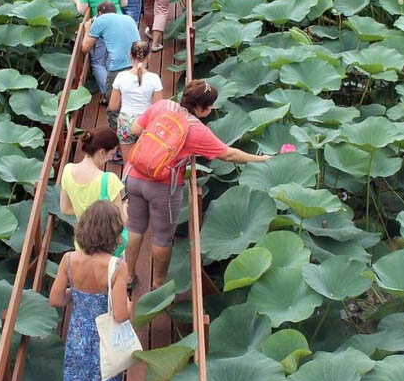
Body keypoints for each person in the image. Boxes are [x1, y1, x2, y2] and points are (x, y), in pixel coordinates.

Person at [124, 80, 272, 293]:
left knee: (135, 228)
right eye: (210, 106)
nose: (212, 109)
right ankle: (158, 284)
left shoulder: (162, 105)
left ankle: (128, 275)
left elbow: (136, 128)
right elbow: (228, 154)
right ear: (200, 107)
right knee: (161, 237)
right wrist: (261, 159)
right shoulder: (195, 130)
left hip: (134, 175)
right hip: (162, 187)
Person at [50, 199, 132, 381]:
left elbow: (55, 299)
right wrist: (130, 304)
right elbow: (121, 314)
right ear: (113, 233)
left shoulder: (68, 261)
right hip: (105, 339)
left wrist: (78, 297)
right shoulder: (116, 267)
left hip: (77, 337)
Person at [60, 127, 128, 253]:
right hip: (107, 247)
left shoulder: (67, 170)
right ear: (102, 152)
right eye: (111, 154)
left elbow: (65, 208)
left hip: (82, 245)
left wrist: (85, 209)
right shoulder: (109, 180)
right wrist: (126, 208)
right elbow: (120, 221)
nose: (111, 158)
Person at [109, 41, 163, 159]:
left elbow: (113, 106)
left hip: (125, 121)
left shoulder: (121, 77)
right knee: (146, 160)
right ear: (149, 56)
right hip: (145, 122)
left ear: (130, 55)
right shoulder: (154, 79)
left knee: (128, 163)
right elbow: (159, 107)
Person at [82, 2, 140, 101]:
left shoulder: (100, 20)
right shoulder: (128, 18)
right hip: (138, 61)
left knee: (112, 101)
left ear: (99, 13)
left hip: (119, 65)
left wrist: (87, 29)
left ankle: (107, 98)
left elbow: (85, 48)